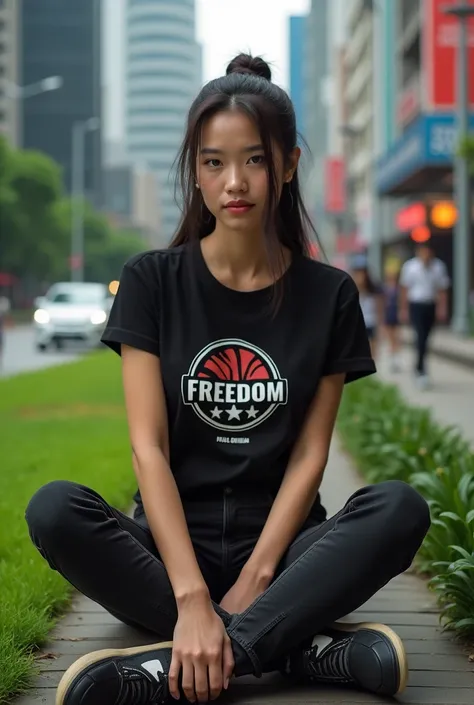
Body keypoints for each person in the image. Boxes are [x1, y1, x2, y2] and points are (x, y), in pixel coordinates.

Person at [25, 54, 430, 705]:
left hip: (284, 552)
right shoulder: (151, 281)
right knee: (53, 508)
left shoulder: (328, 295)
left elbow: (309, 456)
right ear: (195, 171)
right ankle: (298, 649)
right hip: (166, 552)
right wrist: (189, 596)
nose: (234, 181)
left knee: (400, 509)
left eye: (255, 159)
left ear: (289, 163)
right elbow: (148, 448)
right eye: (213, 161)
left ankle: (182, 666)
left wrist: (257, 578)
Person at [399, 244, 450, 389]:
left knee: (426, 337)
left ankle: (419, 366)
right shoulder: (410, 267)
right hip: (416, 305)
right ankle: (420, 369)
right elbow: (404, 289)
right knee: (420, 336)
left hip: (430, 304)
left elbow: (442, 289)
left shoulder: (438, 267)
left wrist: (442, 308)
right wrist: (403, 309)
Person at [351, 264, 383, 360]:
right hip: (357, 322)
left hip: (370, 321)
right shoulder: (352, 288)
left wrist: (380, 324)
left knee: (372, 349)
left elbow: (379, 307)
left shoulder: (374, 290)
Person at [382, 269, 402, 372]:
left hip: (395, 314)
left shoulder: (398, 289)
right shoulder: (385, 288)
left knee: (396, 338)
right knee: (391, 339)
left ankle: (396, 359)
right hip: (388, 314)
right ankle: (392, 360)